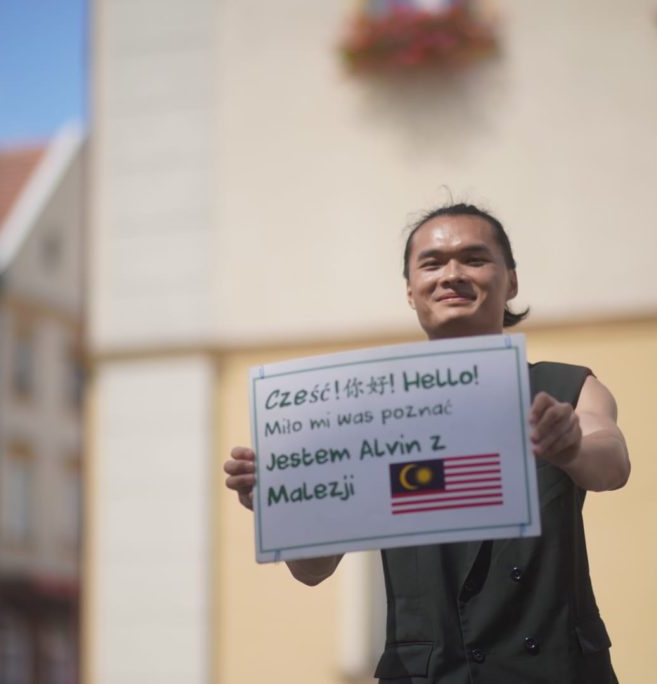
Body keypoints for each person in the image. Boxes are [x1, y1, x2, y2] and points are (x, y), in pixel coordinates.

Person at [224, 203, 630, 682]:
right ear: (411, 292)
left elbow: (613, 461)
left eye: (474, 259)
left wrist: (573, 449)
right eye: (432, 263)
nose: (452, 274)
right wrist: (286, 508)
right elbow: (312, 569)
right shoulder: (364, 409)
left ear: (511, 282)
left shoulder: (565, 388)